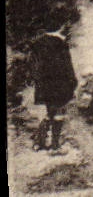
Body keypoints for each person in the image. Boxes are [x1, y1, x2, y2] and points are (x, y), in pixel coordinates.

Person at [30, 17, 76, 153]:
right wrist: (72, 83)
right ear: (61, 28)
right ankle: (55, 146)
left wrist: (38, 82)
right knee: (59, 113)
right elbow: (68, 67)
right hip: (60, 86)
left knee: (47, 113)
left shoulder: (37, 44)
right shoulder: (61, 44)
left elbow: (33, 67)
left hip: (43, 86)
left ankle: (39, 143)